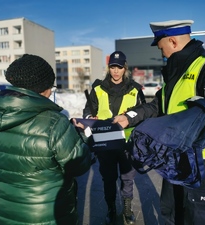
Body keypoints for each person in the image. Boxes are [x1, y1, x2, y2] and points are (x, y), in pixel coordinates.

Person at [113, 20, 205, 225]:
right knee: (170, 214)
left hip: (203, 163)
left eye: (161, 47)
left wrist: (174, 134)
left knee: (196, 219)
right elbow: (158, 105)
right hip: (174, 159)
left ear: (172, 41)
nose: (162, 53)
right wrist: (129, 117)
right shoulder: (178, 72)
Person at [0, 54, 92, 225]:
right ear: (43, 88)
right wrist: (79, 134)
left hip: (5, 211)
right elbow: (79, 164)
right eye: (51, 87)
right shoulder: (54, 123)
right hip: (45, 215)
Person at [83, 51, 145, 225]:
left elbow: (143, 113)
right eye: (113, 67)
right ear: (109, 68)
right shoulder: (97, 89)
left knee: (127, 178)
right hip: (105, 143)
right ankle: (111, 208)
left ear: (125, 68)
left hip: (127, 143)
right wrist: (89, 119)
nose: (116, 71)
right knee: (108, 178)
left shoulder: (135, 89)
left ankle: (127, 208)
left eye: (119, 67)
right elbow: (88, 111)